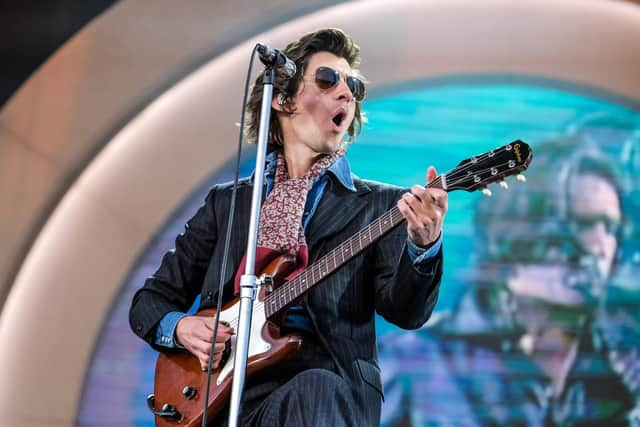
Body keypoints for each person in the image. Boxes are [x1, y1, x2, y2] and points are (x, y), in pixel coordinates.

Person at [129, 28, 447, 426]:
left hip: (322, 397)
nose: (347, 93)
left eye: (354, 86)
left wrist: (423, 245)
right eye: (329, 80)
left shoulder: (381, 206)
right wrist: (183, 328)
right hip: (220, 399)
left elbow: (407, 311)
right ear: (281, 99)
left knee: (317, 388)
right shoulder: (226, 204)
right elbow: (149, 303)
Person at [379, 138, 640, 426]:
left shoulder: (619, 372)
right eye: (583, 224)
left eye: (610, 227)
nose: (600, 246)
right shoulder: (413, 362)